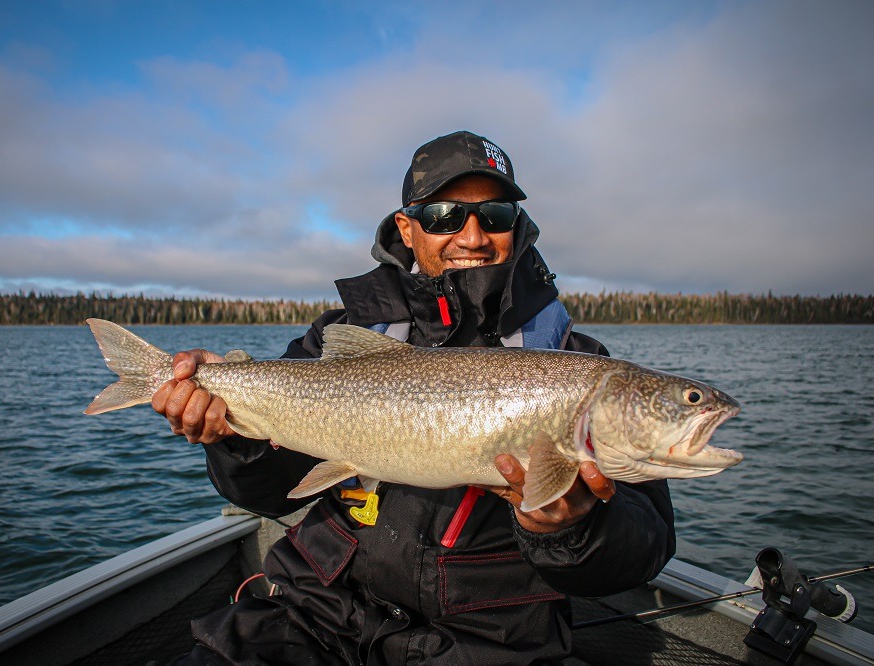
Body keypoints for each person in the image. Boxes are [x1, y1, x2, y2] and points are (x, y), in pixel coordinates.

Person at [153, 131, 675, 664]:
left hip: (489, 643)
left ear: (515, 228)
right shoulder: (340, 335)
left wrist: (575, 526)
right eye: (445, 215)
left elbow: (644, 545)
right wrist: (232, 441)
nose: (471, 236)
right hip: (314, 615)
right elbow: (267, 494)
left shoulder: (580, 365)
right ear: (408, 226)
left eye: (494, 215)